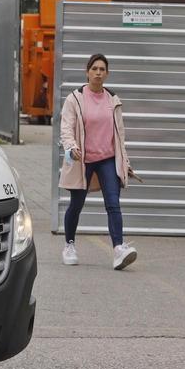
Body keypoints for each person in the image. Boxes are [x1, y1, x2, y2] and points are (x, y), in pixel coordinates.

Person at [59, 53, 138, 270]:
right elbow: (66, 127)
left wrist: (125, 162)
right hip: (83, 159)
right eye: (94, 69)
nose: (98, 73)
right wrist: (71, 147)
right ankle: (69, 245)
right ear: (87, 72)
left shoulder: (112, 100)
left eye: (102, 69)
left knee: (113, 203)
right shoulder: (75, 99)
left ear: (107, 74)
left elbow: (119, 135)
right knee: (76, 204)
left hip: (107, 160)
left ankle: (118, 249)